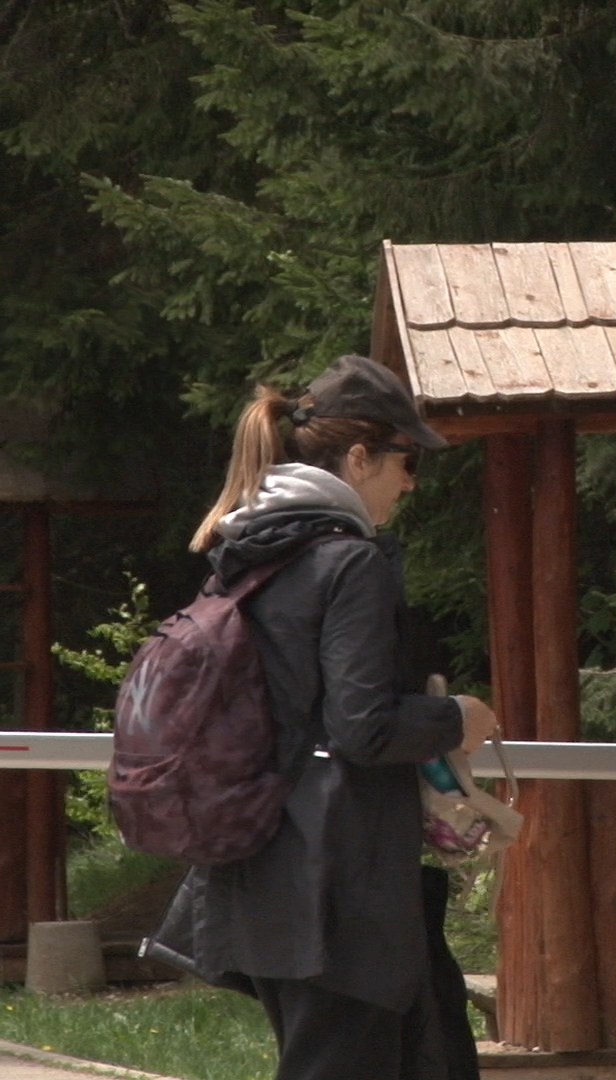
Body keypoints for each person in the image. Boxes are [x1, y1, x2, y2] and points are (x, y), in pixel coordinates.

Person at [148, 354, 498, 1080]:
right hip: (341, 897)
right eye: (407, 461)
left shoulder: (247, 552)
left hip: (258, 877)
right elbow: (361, 726)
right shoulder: (348, 563)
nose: (410, 481)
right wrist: (455, 718)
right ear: (361, 456)